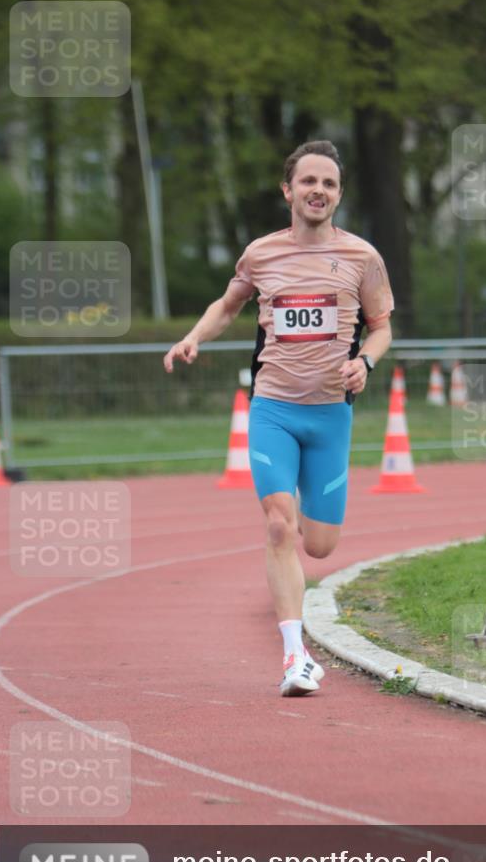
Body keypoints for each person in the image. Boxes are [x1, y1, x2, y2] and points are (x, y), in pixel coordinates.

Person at [164, 140, 394, 696]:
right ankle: (295, 657)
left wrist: (365, 360)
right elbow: (228, 305)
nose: (319, 191)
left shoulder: (362, 258)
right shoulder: (261, 253)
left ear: (339, 194)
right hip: (271, 409)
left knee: (319, 545)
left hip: (329, 417)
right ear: (287, 190)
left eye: (330, 183)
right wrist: (194, 336)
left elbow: (383, 326)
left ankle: (298, 645)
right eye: (309, 181)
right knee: (277, 526)